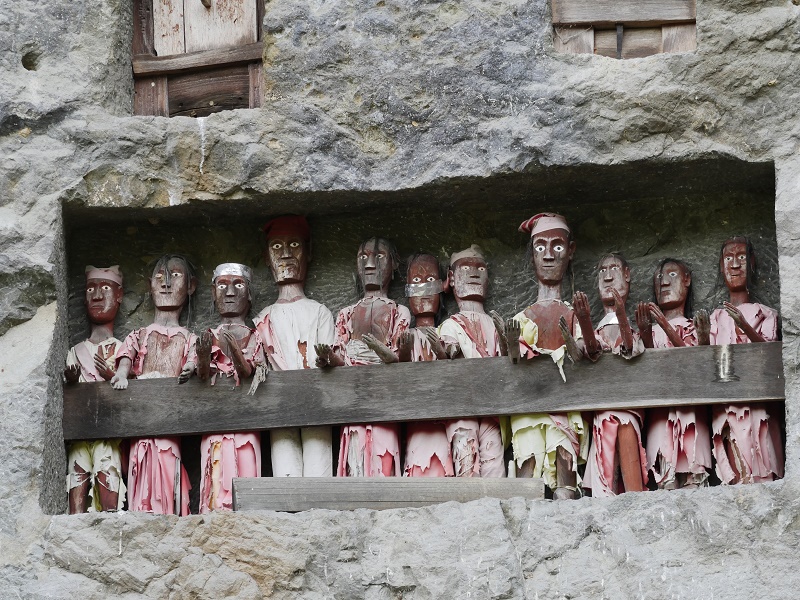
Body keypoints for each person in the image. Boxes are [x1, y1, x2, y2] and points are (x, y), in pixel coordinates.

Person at [507, 213, 588, 499]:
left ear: (571, 250)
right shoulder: (522, 317)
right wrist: (512, 344)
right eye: (540, 247)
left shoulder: (574, 314)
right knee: (527, 461)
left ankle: (565, 490)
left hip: (565, 404)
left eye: (558, 246)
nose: (549, 255)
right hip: (528, 405)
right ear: (532, 254)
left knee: (563, 461)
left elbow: (584, 352)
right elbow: (513, 363)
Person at [315, 237, 410, 477]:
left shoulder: (399, 311)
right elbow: (341, 359)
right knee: (355, 460)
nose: (369, 264)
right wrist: (328, 358)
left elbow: (400, 359)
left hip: (385, 398)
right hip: (353, 398)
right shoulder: (346, 313)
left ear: (394, 265)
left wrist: (381, 351)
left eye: (379, 257)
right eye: (363, 257)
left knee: (383, 461)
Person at [110, 254, 197, 515]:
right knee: (141, 463)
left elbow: (193, 360)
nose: (166, 283)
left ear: (191, 286)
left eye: (175, 276)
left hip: (171, 418)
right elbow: (126, 357)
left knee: (168, 461)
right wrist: (122, 374)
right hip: (141, 416)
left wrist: (192, 367)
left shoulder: (189, 337)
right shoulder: (140, 334)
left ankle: (167, 512)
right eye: (159, 276)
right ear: (150, 285)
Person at [254, 215, 335, 477]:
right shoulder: (262, 319)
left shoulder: (320, 312)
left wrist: (326, 359)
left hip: (318, 402)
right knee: (284, 470)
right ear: (267, 258)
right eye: (277, 246)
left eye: (295, 245)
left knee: (319, 468)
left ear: (308, 254)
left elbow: (332, 360)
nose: (286, 254)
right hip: (279, 405)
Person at [703, 237, 783, 484]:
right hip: (726, 406)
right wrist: (702, 336)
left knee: (762, 463)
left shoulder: (767, 314)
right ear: (721, 266)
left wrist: (744, 325)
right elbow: (706, 361)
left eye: (741, 257)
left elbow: (768, 354)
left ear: (752, 262)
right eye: (728, 258)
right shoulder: (714, 318)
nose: (735, 264)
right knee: (736, 471)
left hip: (759, 405)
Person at [566, 254, 647, 497]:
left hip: (629, 407)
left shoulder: (633, 328)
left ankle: (636, 499)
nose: (608, 276)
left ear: (627, 275)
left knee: (626, 428)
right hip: (601, 408)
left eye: (614, 269)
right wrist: (584, 321)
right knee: (604, 447)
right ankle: (605, 499)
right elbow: (591, 350)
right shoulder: (597, 329)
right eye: (602, 270)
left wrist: (621, 315)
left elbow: (630, 348)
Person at [370, 253, 453, 476]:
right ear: (406, 290)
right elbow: (398, 377)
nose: (423, 290)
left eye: (430, 281)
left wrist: (440, 351)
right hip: (415, 420)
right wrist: (405, 352)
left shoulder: (448, 331)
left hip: (443, 418)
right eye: (416, 281)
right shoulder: (406, 334)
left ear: (444, 285)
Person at [636, 258, 712, 489]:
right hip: (659, 414)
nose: (664, 282)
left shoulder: (694, 326)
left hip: (692, 415)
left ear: (687, 280)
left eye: (671, 275)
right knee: (665, 478)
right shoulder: (650, 332)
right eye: (659, 277)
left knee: (694, 475)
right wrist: (646, 334)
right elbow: (644, 372)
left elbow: (699, 367)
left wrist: (665, 324)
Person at [195, 263, 265, 512]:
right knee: (214, 475)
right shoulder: (207, 334)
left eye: (239, 285)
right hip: (214, 419)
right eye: (222, 285)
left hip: (246, 420)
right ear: (213, 293)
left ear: (250, 293)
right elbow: (201, 375)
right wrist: (203, 357)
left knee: (245, 472)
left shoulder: (256, 335)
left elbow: (248, 372)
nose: (230, 292)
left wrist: (235, 351)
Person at [437, 245, 507, 477]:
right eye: (465, 269)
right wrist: (451, 349)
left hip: (491, 406)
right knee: (466, 459)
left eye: (481, 269)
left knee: (494, 464)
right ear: (451, 278)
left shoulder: (494, 323)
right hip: (461, 405)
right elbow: (446, 347)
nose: (474, 273)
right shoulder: (450, 325)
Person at [64, 265, 126, 513]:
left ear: (119, 296)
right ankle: (75, 521)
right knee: (76, 474)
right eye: (91, 289)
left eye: (106, 288)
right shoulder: (75, 351)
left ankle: (111, 518)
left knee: (107, 471)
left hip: (108, 432)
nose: (97, 296)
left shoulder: (122, 348)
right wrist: (71, 380)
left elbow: (129, 388)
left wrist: (113, 376)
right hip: (80, 430)